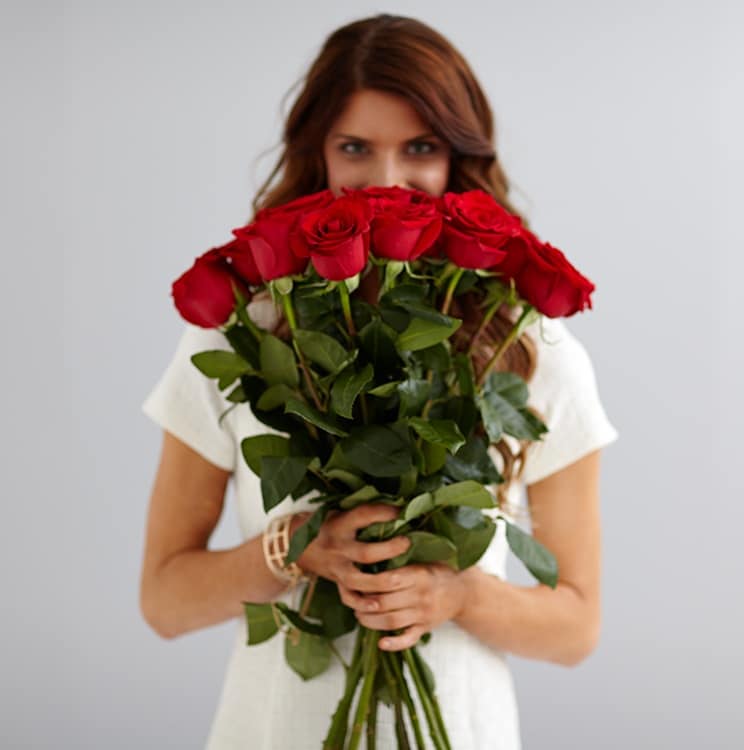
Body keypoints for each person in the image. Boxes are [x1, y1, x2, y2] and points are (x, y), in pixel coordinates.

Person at [139, 13, 619, 750]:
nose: (387, 183)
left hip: (460, 730)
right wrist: (291, 549)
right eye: (355, 147)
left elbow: (576, 627)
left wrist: (455, 594)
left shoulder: (529, 350)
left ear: (458, 157)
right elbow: (165, 601)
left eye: (420, 148)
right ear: (318, 153)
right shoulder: (244, 333)